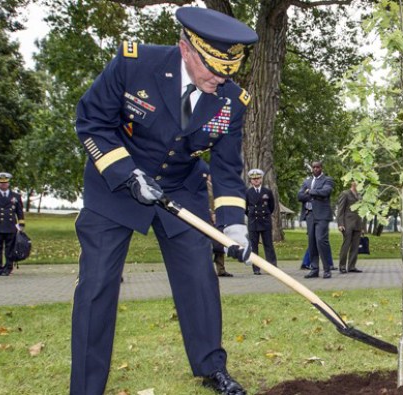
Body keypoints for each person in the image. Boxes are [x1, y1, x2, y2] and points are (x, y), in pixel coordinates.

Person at [71, 7, 258, 395]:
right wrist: (127, 175)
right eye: (214, 69)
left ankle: (211, 369)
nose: (221, 79)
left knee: (199, 277)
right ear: (186, 49)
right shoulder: (133, 64)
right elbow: (91, 120)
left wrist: (234, 226)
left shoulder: (230, 101)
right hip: (116, 182)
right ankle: (86, 386)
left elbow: (226, 167)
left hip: (180, 188)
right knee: (98, 283)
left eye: (229, 72)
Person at [298, 161, 335, 279]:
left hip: (322, 216)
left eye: (318, 167)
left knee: (320, 241)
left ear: (321, 168)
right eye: (313, 167)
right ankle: (314, 269)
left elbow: (325, 192)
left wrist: (310, 192)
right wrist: (313, 194)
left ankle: (327, 269)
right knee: (312, 242)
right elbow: (299, 196)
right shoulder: (307, 181)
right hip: (310, 215)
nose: (315, 169)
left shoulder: (327, 180)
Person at [245, 168, 277, 275]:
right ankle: (256, 268)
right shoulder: (248, 192)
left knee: (268, 245)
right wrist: (251, 215)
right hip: (253, 222)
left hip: (265, 221)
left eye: (258, 178)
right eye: (254, 179)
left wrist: (266, 214)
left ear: (261, 179)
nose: (256, 181)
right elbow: (245, 208)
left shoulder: (267, 192)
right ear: (251, 181)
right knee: (254, 246)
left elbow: (272, 206)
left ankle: (272, 267)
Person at [335, 180, 365, 273]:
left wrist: (363, 227)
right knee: (346, 245)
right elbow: (340, 209)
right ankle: (342, 266)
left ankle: (352, 266)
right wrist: (340, 224)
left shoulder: (360, 195)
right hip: (347, 224)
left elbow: (363, 210)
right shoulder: (345, 193)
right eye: (356, 181)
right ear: (352, 183)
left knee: (355, 246)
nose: (358, 183)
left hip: (358, 224)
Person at [207, 175, 233, 277]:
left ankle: (221, 269)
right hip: (208, 219)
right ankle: (207, 270)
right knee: (210, 245)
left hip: (220, 218)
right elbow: (204, 202)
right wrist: (211, 213)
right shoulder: (204, 187)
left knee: (220, 244)